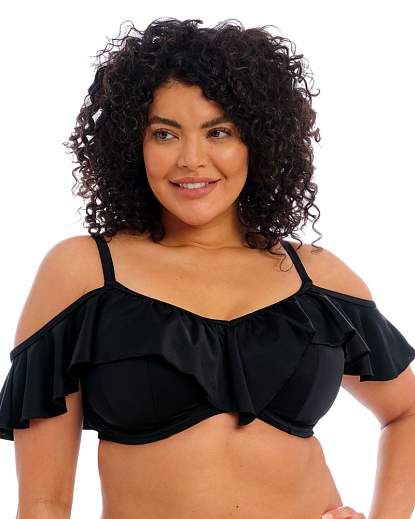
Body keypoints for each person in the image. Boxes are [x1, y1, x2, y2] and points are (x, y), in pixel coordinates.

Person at [0, 17, 414, 519]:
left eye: (219, 131)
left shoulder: (317, 278)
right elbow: (43, 504)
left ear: (258, 140)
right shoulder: (83, 272)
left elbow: (406, 410)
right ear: (133, 145)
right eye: (164, 134)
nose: (191, 160)